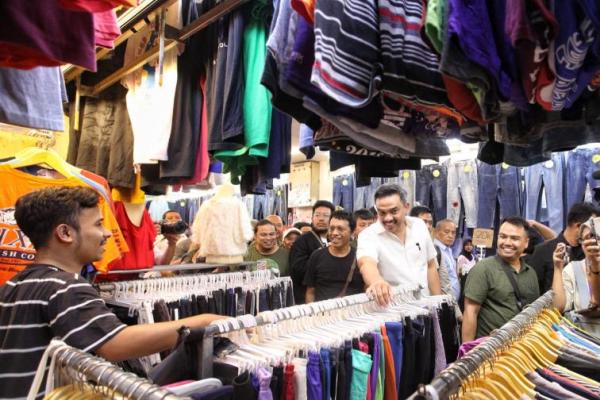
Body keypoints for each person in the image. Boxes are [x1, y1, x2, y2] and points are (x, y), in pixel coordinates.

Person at [0, 187, 224, 399]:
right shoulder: (64, 286)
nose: (107, 233)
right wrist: (203, 322)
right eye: (98, 224)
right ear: (65, 233)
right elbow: (116, 344)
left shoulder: (14, 284)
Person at [357, 184, 442, 305]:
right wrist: (376, 282)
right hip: (394, 309)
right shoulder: (368, 235)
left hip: (426, 305)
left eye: (394, 211)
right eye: (382, 213)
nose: (388, 218)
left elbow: (430, 266)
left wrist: (439, 303)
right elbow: (366, 263)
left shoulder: (419, 226)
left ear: (406, 207)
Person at [462, 217, 540, 341]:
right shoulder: (483, 269)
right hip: (492, 348)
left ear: (526, 243)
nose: (507, 242)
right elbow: (470, 313)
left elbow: (534, 313)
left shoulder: (530, 273)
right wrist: (468, 350)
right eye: (503, 236)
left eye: (514, 238)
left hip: (522, 347)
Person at [528, 203, 598, 294]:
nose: (595, 232)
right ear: (579, 226)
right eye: (592, 227)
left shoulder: (590, 252)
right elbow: (533, 290)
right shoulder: (543, 251)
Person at [552, 218, 600, 337]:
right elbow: (558, 307)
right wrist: (558, 267)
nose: (593, 242)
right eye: (587, 238)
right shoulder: (574, 269)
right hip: (586, 341)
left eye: (596, 237)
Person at [304, 211, 365, 302]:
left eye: (340, 229)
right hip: (323, 310)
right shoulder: (317, 256)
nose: (335, 233)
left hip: (352, 310)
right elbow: (310, 292)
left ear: (352, 232)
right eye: (331, 228)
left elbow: (366, 289)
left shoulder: (361, 257)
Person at [290, 200, 335, 304]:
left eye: (326, 215)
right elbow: (298, 269)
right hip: (307, 296)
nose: (321, 219)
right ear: (312, 218)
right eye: (317, 215)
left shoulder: (334, 239)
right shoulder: (302, 241)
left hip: (331, 294)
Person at [433, 219, 461, 301]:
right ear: (436, 232)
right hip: (442, 301)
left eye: (453, 232)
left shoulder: (448, 250)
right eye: (446, 232)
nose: (450, 236)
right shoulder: (435, 251)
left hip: (452, 301)